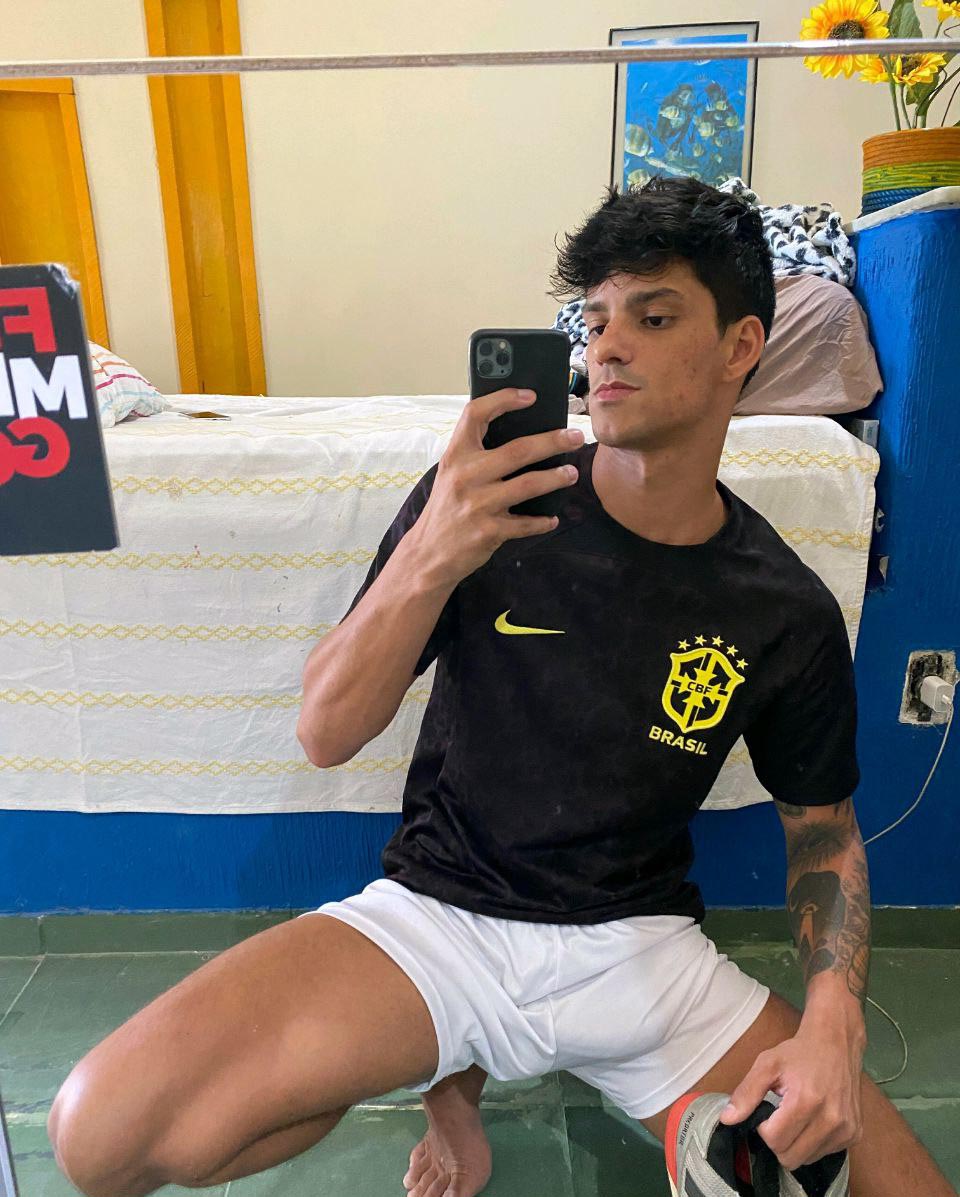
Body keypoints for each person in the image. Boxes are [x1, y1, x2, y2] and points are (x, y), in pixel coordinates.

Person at [46, 176, 955, 1197]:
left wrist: (834, 1022)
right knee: (99, 1135)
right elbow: (326, 731)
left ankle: (683, 1128)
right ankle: (442, 1077)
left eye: (654, 318)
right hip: (444, 923)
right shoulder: (485, 504)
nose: (608, 349)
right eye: (596, 321)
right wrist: (434, 551)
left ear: (742, 344)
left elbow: (823, 830)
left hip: (638, 954)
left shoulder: (781, 605)